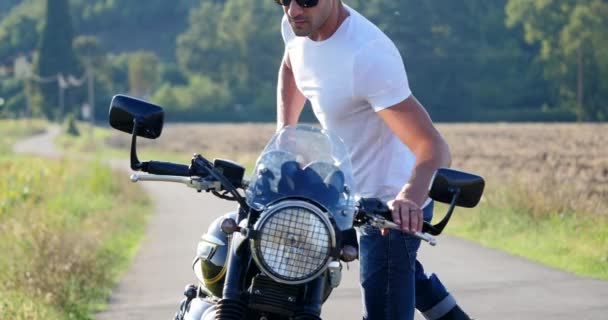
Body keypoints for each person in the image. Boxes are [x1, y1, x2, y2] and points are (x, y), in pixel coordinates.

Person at [274, 0, 472, 319]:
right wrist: (286, 131)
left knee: (387, 291)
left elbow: (434, 147)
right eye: (283, 0)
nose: (293, 10)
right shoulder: (298, 25)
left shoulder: (367, 55)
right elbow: (291, 65)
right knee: (404, 278)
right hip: (349, 193)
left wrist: (408, 197)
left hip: (390, 207)